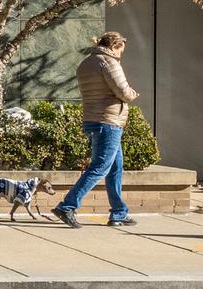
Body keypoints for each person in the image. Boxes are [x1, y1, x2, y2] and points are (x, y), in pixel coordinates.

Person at [53, 31, 141, 230]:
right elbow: (123, 92)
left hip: (93, 119)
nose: (120, 55)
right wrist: (132, 94)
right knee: (100, 166)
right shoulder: (109, 62)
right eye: (120, 50)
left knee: (116, 167)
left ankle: (119, 212)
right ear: (114, 46)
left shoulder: (86, 63)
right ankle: (67, 206)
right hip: (109, 121)